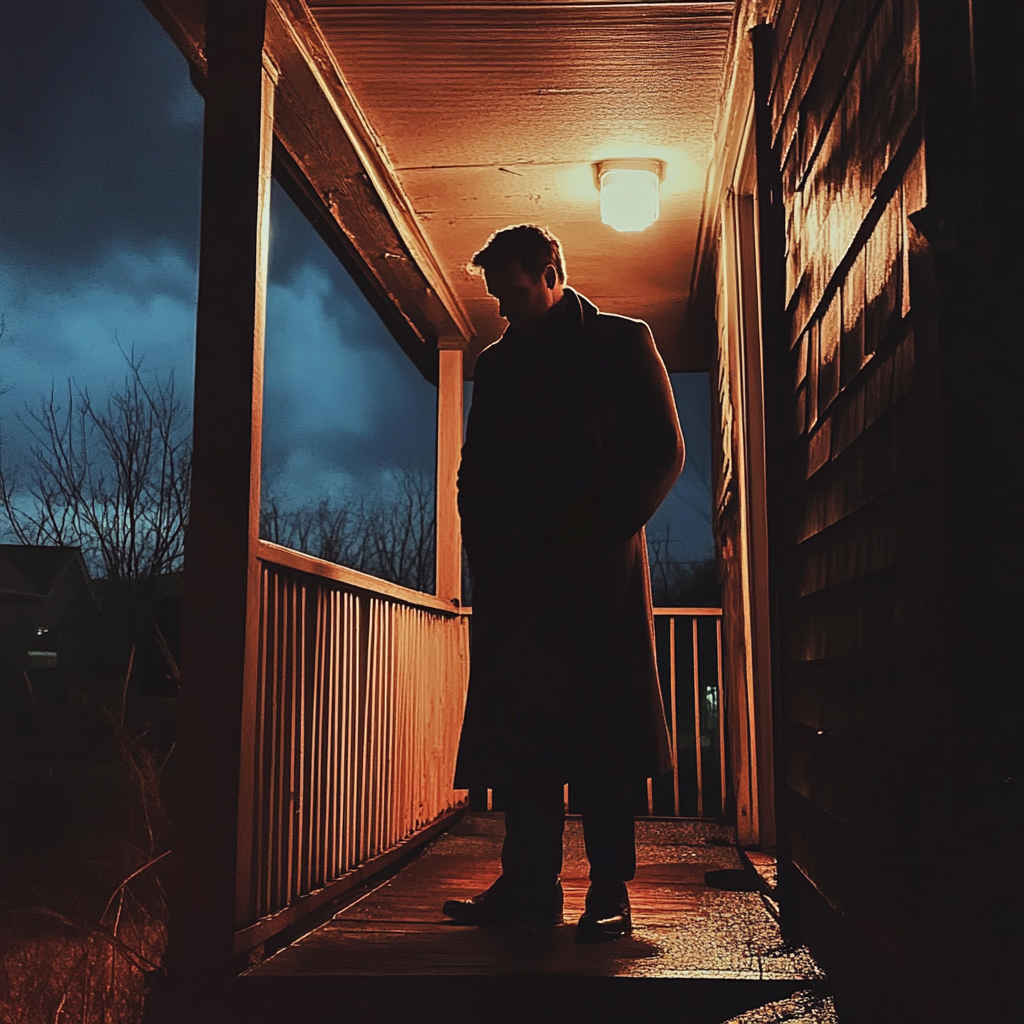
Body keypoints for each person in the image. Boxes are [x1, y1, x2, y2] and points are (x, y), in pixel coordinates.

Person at [442, 224, 684, 943]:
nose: (502, 310)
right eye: (496, 298)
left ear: (550, 272)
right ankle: (529, 886)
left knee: (604, 741)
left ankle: (608, 891)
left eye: (512, 294)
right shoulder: (499, 365)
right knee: (526, 743)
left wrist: (600, 535)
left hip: (597, 586)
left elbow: (663, 453)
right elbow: (475, 474)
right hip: (520, 589)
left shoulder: (622, 340)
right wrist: (489, 553)